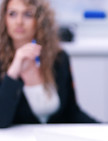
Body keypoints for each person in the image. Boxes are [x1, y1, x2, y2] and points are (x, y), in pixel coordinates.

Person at [0, 0, 98, 128]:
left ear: (40, 20)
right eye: (12, 14)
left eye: (28, 14)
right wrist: (13, 72)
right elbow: (1, 120)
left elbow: (71, 112)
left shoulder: (59, 58)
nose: (19, 21)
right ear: (4, 19)